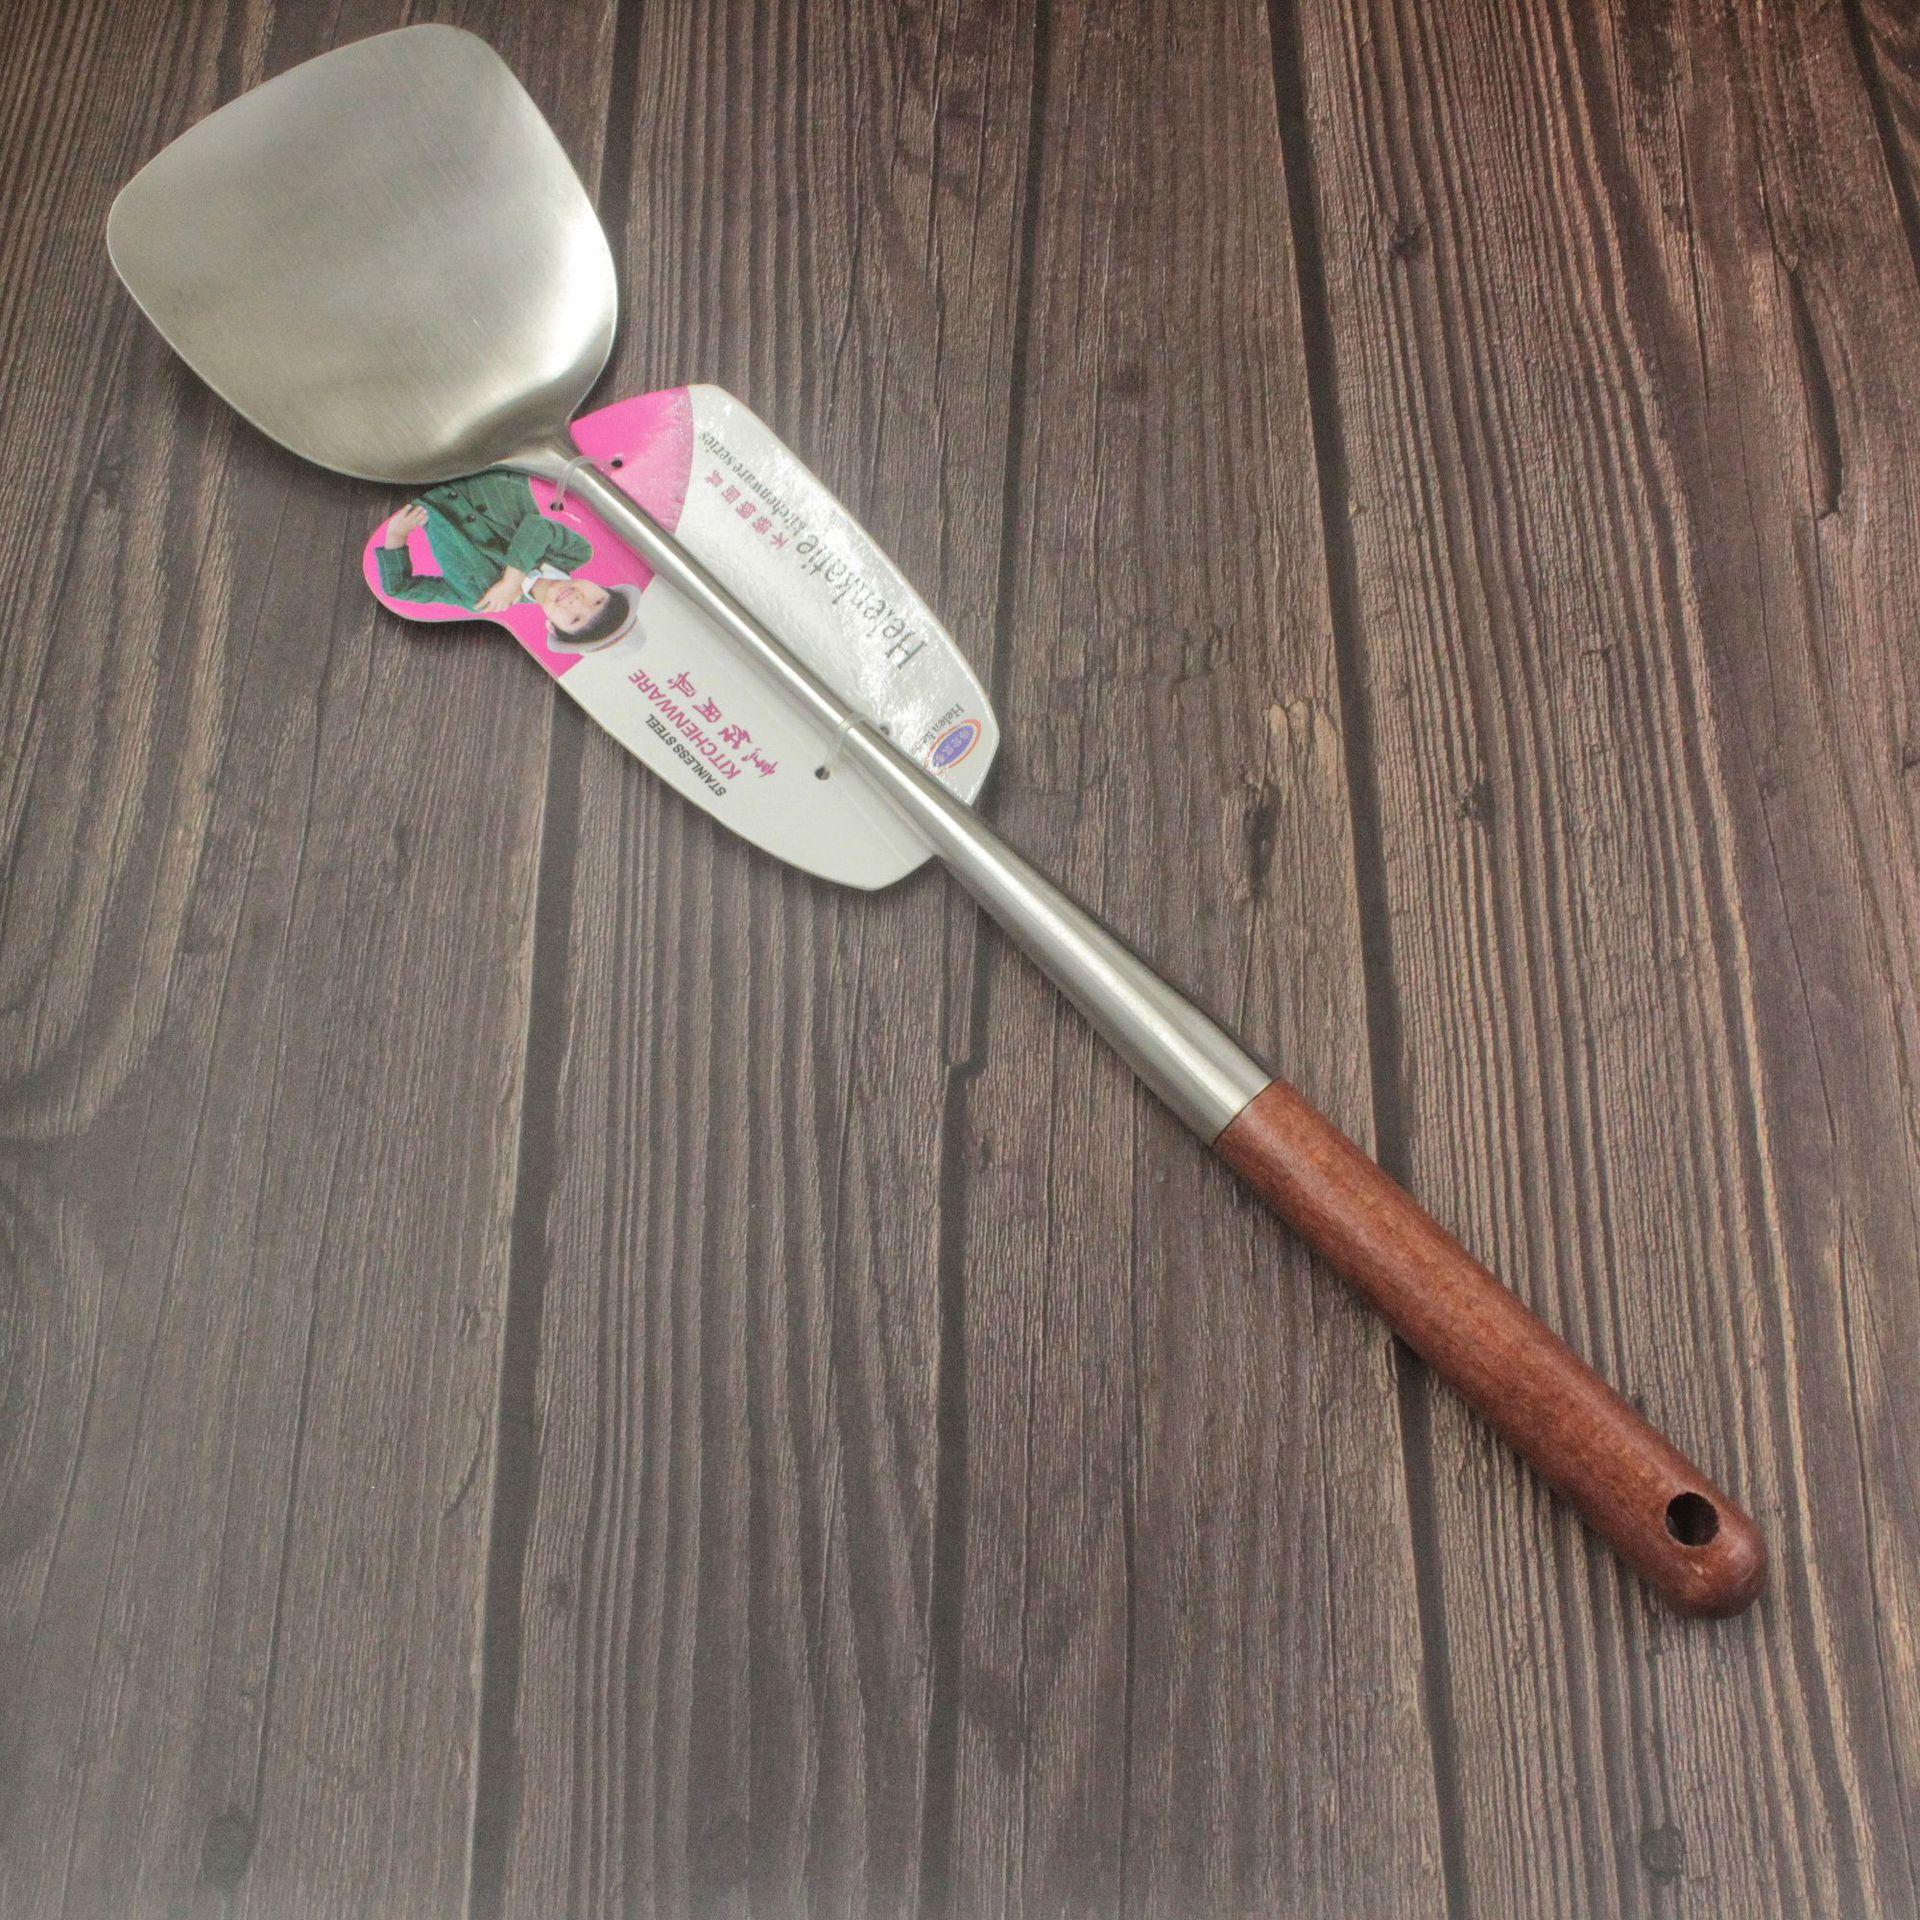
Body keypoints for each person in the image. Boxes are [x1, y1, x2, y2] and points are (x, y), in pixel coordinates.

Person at [378, 474, 640, 652]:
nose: (577, 603)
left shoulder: (478, 598)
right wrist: (511, 582)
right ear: (603, 587)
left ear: (552, 627)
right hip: (479, 462)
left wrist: (397, 535)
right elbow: (537, 528)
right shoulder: (576, 553)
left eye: (575, 619)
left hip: (409, 488)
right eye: (597, 601)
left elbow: (398, 588)